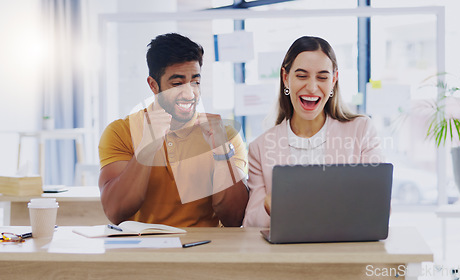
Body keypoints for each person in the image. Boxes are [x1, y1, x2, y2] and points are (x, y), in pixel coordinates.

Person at [98, 33, 249, 227]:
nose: (189, 93)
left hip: (204, 250)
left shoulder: (224, 134)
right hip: (143, 250)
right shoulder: (120, 132)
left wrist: (222, 154)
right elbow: (115, 211)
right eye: (177, 83)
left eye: (195, 82)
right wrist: (147, 147)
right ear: (154, 85)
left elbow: (235, 218)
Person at [243, 36, 384, 227]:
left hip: (346, 251)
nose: (311, 87)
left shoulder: (361, 130)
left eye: (322, 77)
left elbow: (381, 207)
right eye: (301, 76)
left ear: (334, 80)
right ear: (286, 78)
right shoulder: (260, 148)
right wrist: (271, 202)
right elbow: (251, 224)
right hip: (287, 254)